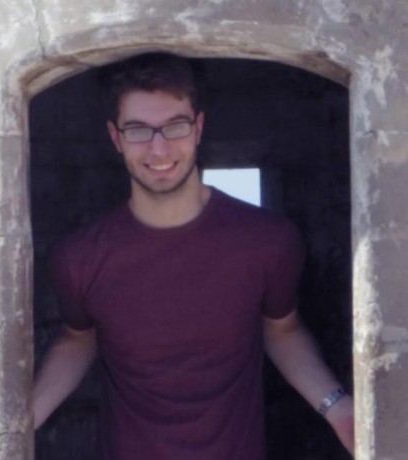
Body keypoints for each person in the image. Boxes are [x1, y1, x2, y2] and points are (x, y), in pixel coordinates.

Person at [33, 52, 354, 459]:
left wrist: (337, 407)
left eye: (175, 126)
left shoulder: (268, 241)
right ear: (115, 137)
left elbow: (282, 330)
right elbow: (78, 338)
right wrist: (14, 425)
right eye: (138, 130)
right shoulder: (79, 257)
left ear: (198, 128)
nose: (159, 147)